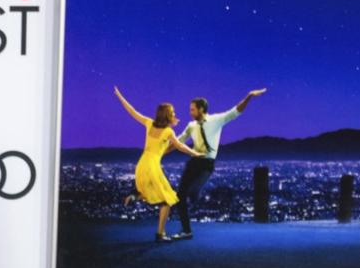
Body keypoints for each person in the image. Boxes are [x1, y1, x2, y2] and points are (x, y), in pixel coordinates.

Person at [172, 89, 267, 237]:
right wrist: (160, 151)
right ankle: (186, 230)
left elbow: (235, 111)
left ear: (201, 109)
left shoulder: (216, 120)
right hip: (193, 161)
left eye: (192, 109)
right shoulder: (191, 126)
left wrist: (248, 96)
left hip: (207, 164)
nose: (190, 112)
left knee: (192, 193)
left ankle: (194, 198)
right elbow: (178, 142)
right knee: (180, 195)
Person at [113, 90, 200, 242]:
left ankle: (134, 196)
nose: (174, 114)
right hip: (153, 165)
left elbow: (132, 111)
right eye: (172, 112)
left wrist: (120, 97)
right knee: (167, 200)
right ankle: (160, 234)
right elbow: (180, 146)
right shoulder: (168, 131)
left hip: (141, 164)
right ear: (167, 115)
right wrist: (195, 154)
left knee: (151, 192)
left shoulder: (148, 123)